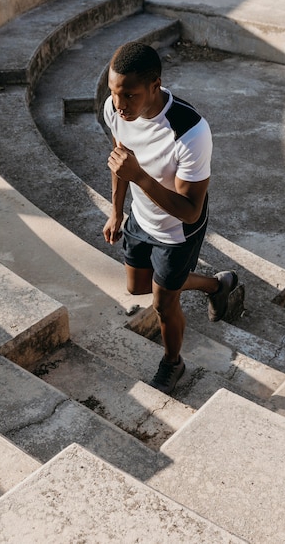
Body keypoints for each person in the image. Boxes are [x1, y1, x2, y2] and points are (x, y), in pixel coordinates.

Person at [102, 42, 237, 395]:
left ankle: (173, 362)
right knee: (138, 287)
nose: (119, 104)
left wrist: (141, 177)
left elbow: (191, 210)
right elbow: (121, 161)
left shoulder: (190, 132)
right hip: (139, 218)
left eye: (129, 95)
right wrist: (116, 211)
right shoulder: (115, 109)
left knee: (163, 303)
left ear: (154, 85)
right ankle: (215, 285)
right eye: (114, 93)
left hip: (177, 231)